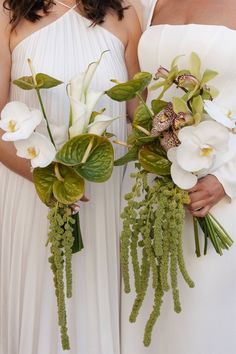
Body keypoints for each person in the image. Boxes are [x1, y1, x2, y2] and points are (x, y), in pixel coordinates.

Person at [0, 1, 141, 353]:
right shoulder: (8, 13)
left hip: (102, 198)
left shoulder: (124, 14)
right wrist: (50, 178)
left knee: (94, 299)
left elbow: (138, 116)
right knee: (42, 301)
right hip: (32, 193)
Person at [121, 1, 236, 354]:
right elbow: (138, 95)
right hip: (150, 187)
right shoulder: (148, 3)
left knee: (203, 324)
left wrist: (226, 179)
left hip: (216, 192)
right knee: (145, 318)